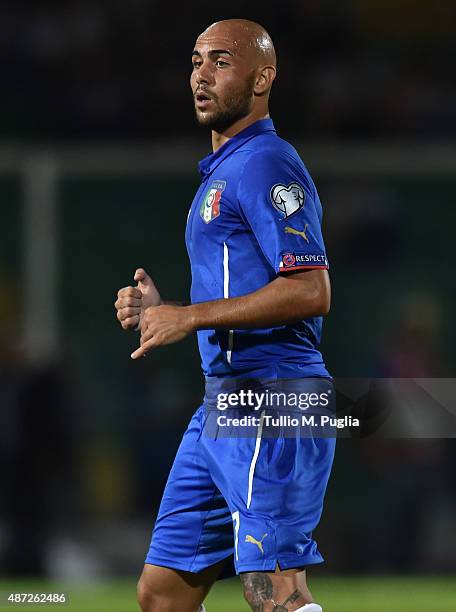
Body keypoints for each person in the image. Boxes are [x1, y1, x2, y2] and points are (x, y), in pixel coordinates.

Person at [115, 18, 334, 612]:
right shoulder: (223, 171)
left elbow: (311, 290)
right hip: (223, 403)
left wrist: (188, 318)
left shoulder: (266, 163)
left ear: (263, 78)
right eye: (194, 62)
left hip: (274, 397)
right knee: (162, 595)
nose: (200, 76)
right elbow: (238, 288)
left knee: (275, 593)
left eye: (219, 62)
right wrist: (164, 311)